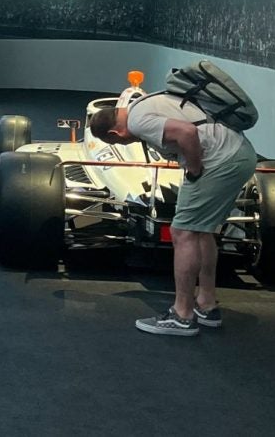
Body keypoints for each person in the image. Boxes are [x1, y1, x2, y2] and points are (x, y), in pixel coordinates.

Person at [89, 90, 257, 336]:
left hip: (219, 162)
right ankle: (206, 304)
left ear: (115, 134)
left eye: (118, 143)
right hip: (241, 155)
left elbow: (187, 133)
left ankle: (182, 315)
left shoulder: (137, 121)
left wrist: (194, 170)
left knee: (182, 232)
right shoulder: (145, 104)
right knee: (203, 231)